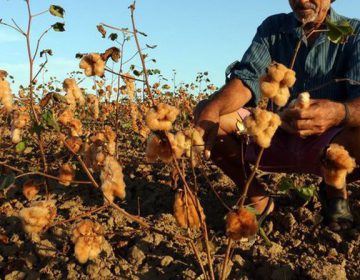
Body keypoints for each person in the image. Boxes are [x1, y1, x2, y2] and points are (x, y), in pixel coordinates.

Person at [195, 0, 360, 231]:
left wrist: (337, 113)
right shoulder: (273, 28)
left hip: (332, 143)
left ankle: (335, 191)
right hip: (273, 136)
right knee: (209, 113)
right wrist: (210, 111)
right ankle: (257, 198)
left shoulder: (353, 33)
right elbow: (246, 79)